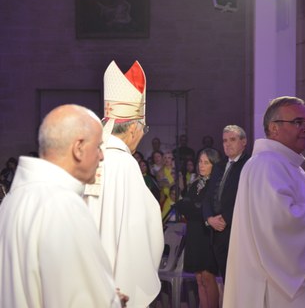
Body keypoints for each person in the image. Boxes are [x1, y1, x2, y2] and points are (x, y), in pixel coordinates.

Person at [223, 96, 305, 308]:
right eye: (298, 122)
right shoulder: (267, 164)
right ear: (274, 128)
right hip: (282, 292)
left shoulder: (287, 165)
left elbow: (287, 211)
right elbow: (277, 223)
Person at [0, 104, 125, 308]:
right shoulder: (62, 205)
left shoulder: (13, 199)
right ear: (78, 148)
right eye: (98, 147)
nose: (101, 156)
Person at [84, 60, 164, 308]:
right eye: (144, 129)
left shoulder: (87, 157)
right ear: (132, 131)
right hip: (115, 280)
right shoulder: (125, 164)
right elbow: (141, 228)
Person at [175, 148, 221, 308]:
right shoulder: (195, 184)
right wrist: (194, 208)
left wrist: (195, 208)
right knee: (199, 279)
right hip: (194, 233)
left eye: (206, 162)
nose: (201, 165)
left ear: (214, 164)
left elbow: (206, 209)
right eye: (200, 162)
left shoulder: (216, 185)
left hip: (207, 235)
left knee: (208, 277)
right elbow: (185, 206)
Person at [203, 125, 249, 282]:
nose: (227, 144)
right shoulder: (219, 166)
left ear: (244, 142)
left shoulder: (249, 165)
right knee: (226, 279)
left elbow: (246, 197)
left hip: (237, 231)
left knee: (239, 281)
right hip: (217, 231)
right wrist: (209, 219)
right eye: (224, 141)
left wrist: (225, 218)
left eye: (232, 140)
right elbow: (208, 196)